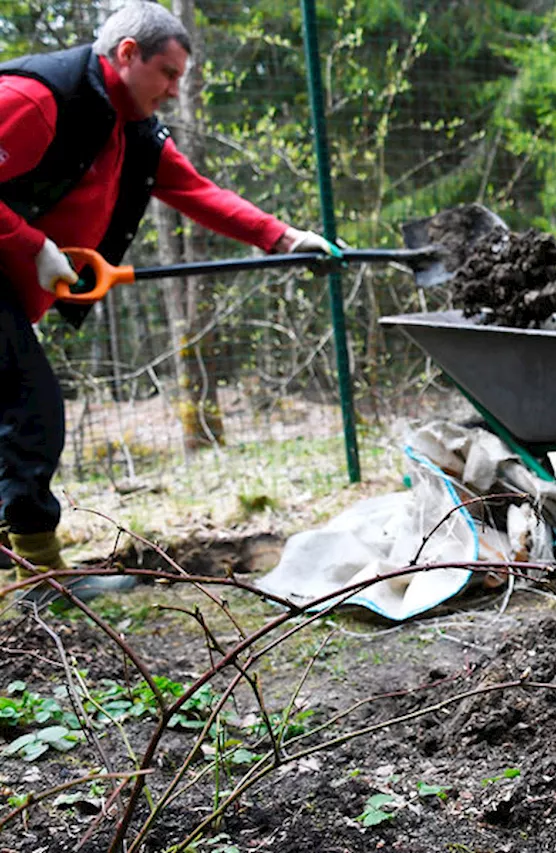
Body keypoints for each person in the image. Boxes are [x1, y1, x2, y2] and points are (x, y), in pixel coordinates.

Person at [0, 1, 338, 594]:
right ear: (128, 55)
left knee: (17, 410)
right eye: (169, 74)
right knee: (32, 411)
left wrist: (279, 236)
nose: (177, 92)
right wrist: (32, 245)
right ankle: (39, 582)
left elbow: (197, 192)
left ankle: (20, 570)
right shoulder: (37, 99)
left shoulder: (131, 130)